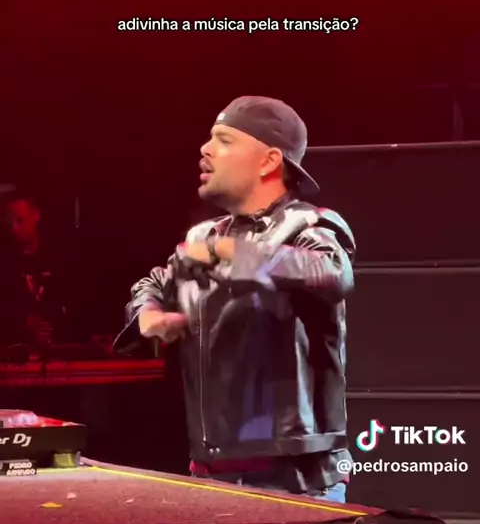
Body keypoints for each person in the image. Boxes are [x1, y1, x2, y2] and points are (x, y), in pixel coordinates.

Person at [114, 96, 355, 503]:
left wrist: (230, 253)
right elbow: (153, 283)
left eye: (224, 140)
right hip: (210, 475)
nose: (205, 149)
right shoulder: (204, 236)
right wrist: (149, 314)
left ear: (268, 161)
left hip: (298, 481)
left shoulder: (308, 226)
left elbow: (332, 272)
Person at [0, 192, 76, 346]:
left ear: (35, 215)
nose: (14, 229)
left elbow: (76, 305)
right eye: (9, 223)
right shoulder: (4, 265)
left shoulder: (61, 259)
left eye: (19, 220)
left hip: (61, 351)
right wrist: (21, 325)